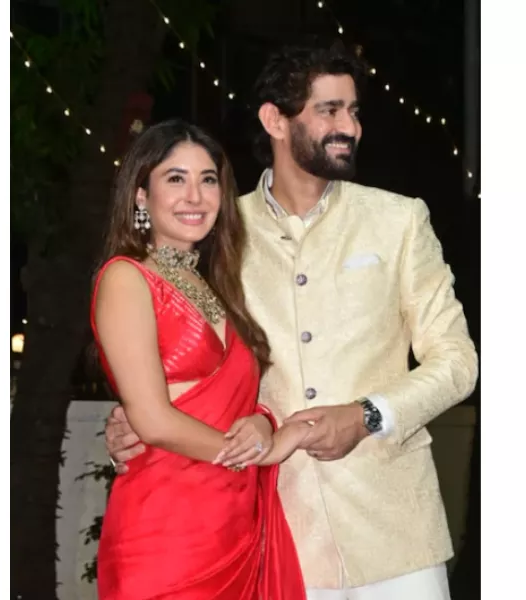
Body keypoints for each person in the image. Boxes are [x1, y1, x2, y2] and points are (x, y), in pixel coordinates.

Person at [104, 42, 479, 600]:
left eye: (353, 111)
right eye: (329, 110)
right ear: (275, 120)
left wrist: (367, 415)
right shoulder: (219, 232)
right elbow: (183, 347)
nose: (348, 127)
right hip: (278, 533)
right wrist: (136, 416)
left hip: (395, 531)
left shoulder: (398, 219)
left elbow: (457, 362)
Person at [90, 118, 310, 600]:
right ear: (141, 195)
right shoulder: (127, 278)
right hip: (165, 531)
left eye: (208, 180)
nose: (195, 196)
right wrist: (258, 452)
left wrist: (262, 423)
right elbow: (152, 420)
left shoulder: (217, 287)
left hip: (234, 526)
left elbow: (238, 398)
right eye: (176, 178)